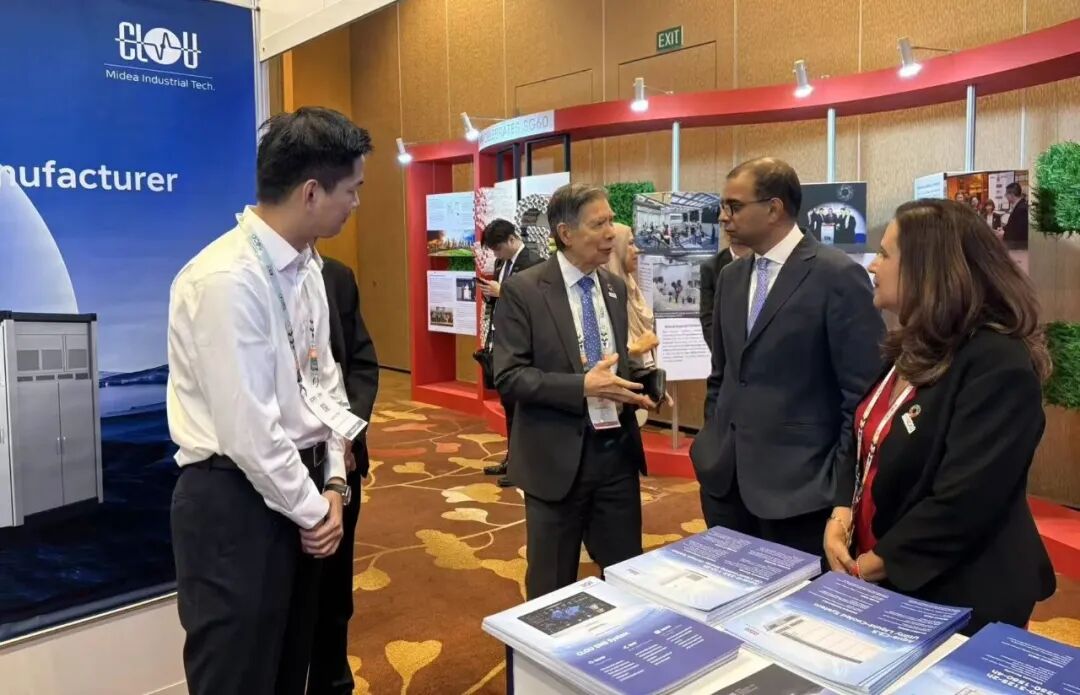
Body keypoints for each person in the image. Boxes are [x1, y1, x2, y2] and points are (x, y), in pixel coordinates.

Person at [166, 107, 371, 695]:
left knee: (289, 669)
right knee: (238, 676)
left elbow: (326, 384)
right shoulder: (226, 279)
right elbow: (249, 432)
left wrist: (334, 484)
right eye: (351, 190)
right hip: (235, 503)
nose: (356, 203)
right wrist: (314, 511)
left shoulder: (308, 268)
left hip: (302, 490)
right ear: (311, 192)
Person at [824, 199, 1056, 634]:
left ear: (928, 268)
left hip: (957, 591)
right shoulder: (912, 345)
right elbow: (864, 437)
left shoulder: (996, 363)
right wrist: (841, 514)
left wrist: (874, 565)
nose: (872, 266)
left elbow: (966, 500)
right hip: (882, 573)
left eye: (885, 254)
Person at [691, 157, 884, 557]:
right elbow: (723, 374)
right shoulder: (730, 277)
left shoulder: (836, 276)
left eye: (734, 206)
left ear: (774, 208)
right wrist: (711, 443)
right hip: (725, 484)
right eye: (722, 207)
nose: (724, 217)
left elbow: (861, 396)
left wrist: (840, 492)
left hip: (800, 494)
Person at [493, 183, 660, 599]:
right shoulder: (525, 290)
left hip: (616, 456)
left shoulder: (614, 288)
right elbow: (510, 376)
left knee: (627, 577)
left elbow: (615, 361)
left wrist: (645, 383)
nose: (611, 233)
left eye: (611, 222)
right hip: (555, 459)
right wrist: (582, 386)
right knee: (552, 587)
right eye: (599, 224)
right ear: (565, 233)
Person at [307, 255, 379, 695]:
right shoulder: (244, 278)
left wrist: (349, 431)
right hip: (281, 470)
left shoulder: (336, 276)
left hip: (343, 464)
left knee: (335, 593)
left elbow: (362, 365)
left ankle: (334, 682)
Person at [477, 219, 543, 487]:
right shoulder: (501, 264)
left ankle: (522, 466)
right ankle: (512, 460)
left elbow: (536, 302)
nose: (496, 254)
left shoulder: (534, 262)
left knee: (523, 409)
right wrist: (489, 294)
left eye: (497, 248)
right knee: (509, 406)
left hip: (525, 347)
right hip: (503, 341)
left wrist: (502, 291)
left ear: (511, 240)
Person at [606, 223, 660, 427]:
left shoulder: (631, 288)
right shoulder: (607, 294)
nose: (636, 250)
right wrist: (637, 348)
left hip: (637, 387)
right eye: (629, 244)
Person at [699, 234, 750, 351]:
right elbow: (708, 318)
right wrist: (722, 354)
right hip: (727, 350)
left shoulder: (765, 262)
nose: (731, 226)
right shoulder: (711, 267)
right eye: (726, 225)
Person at [1003, 181, 1029, 249]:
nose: (1005, 196)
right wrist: (1004, 229)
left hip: (1018, 247)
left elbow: (1019, 233)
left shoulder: (1022, 209)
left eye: (1006, 194)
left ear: (1012, 194)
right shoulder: (1018, 206)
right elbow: (1014, 225)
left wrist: (1004, 234)